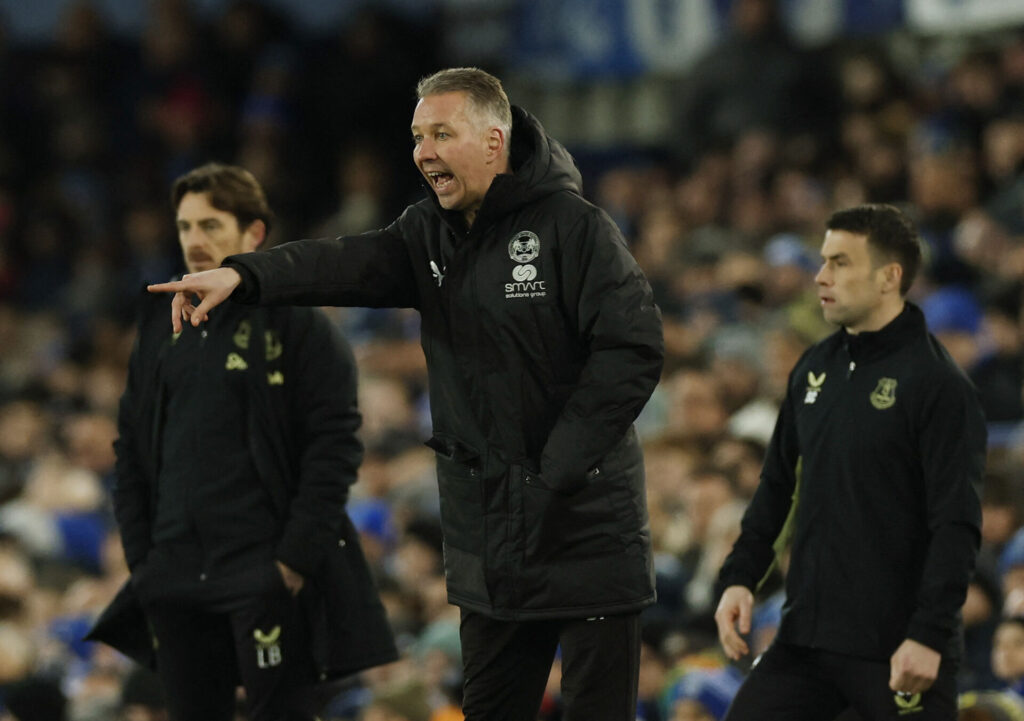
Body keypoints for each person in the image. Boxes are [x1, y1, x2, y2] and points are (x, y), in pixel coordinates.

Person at [148, 68, 665, 720]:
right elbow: (340, 261)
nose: (423, 151)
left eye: (441, 133)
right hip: (490, 549)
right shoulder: (427, 233)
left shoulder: (574, 227)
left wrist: (557, 467)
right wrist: (242, 276)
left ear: (493, 141)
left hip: (587, 537)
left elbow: (633, 346)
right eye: (418, 136)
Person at [87, 163, 397, 721]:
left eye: (210, 225)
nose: (194, 240)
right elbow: (130, 446)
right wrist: (144, 560)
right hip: (174, 574)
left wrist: (291, 561)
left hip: (263, 574)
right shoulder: (160, 325)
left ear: (254, 234)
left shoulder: (300, 326)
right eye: (184, 227)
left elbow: (336, 447)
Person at [713, 204, 986, 720]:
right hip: (806, 641)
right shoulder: (814, 367)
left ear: (889, 277)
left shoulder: (939, 386)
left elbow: (956, 523)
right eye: (822, 261)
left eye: (840, 263)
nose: (821, 277)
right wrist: (739, 577)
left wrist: (928, 635)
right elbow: (775, 486)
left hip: (897, 648)